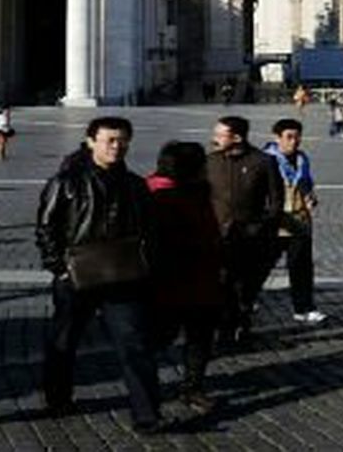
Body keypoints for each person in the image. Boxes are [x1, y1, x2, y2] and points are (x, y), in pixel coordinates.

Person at [35, 117, 163, 433]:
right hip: (77, 276)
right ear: (91, 141)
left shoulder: (135, 185)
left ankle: (147, 414)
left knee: (134, 344)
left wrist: (147, 265)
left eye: (122, 141)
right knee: (64, 341)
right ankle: (58, 397)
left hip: (123, 277)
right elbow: (46, 227)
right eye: (110, 140)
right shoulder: (66, 181)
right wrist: (59, 268)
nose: (116, 147)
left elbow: (150, 229)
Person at [145, 141, 223, 414]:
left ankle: (193, 387)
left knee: (200, 338)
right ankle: (148, 389)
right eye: (202, 163)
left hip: (201, 279)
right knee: (158, 338)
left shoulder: (196, 192)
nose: (206, 168)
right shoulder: (157, 195)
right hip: (170, 281)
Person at [205, 115, 286, 343]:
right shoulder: (210, 162)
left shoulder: (263, 162)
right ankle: (224, 327)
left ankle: (242, 320)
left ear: (238, 137)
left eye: (221, 135)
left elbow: (276, 201)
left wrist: (262, 226)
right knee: (221, 284)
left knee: (244, 286)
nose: (215, 139)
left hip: (250, 238)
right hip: (218, 236)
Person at [262, 119, 324, 323]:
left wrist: (310, 196)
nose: (294, 141)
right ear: (277, 137)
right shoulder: (265, 160)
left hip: (299, 221)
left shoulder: (302, 159)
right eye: (289, 137)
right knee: (261, 265)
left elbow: (305, 182)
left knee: (302, 267)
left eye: (297, 137)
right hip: (275, 223)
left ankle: (304, 308)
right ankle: (246, 300)